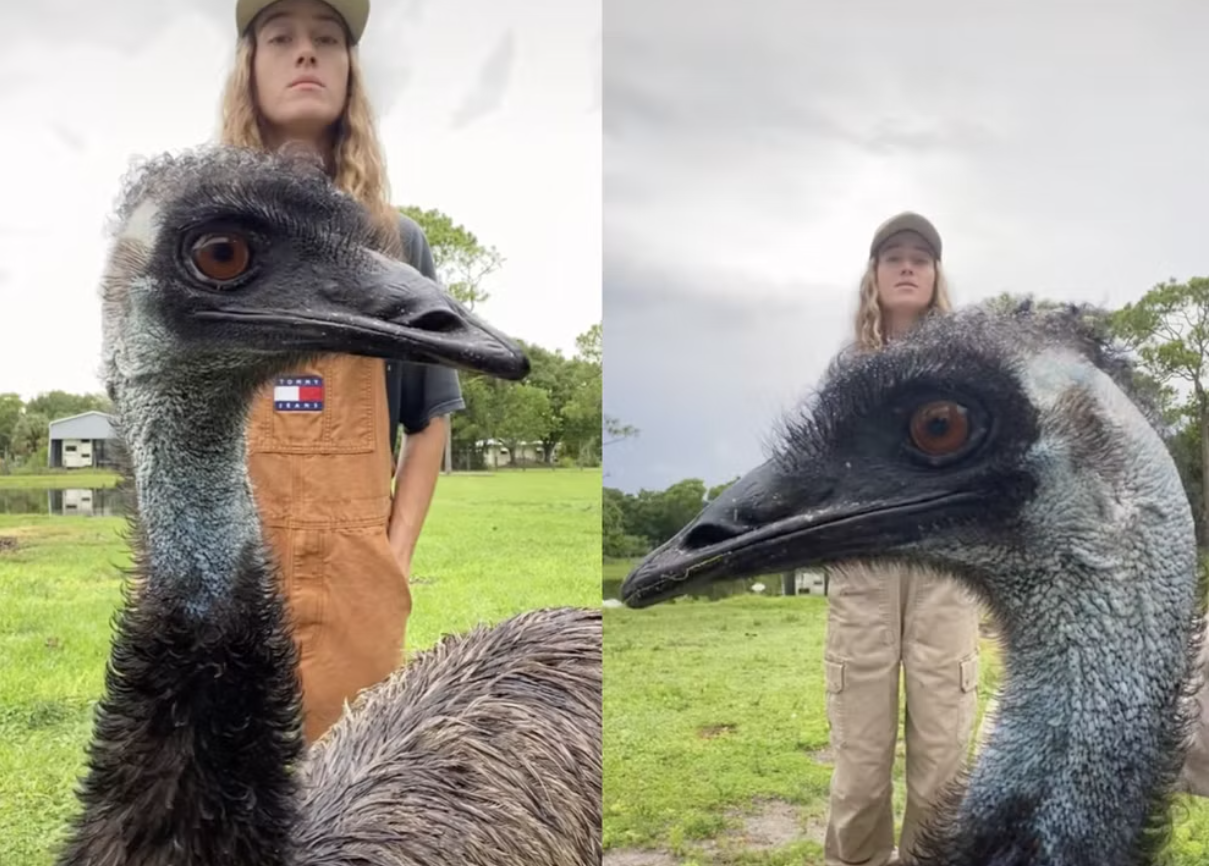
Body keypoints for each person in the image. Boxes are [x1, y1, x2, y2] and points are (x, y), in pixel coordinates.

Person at [220, 0, 464, 743]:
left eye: (327, 40)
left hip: (358, 569)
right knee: (225, 781)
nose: (306, 55)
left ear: (350, 72)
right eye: (282, 38)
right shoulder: (213, 238)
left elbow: (430, 418)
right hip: (230, 565)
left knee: (349, 790)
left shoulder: (397, 244)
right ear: (250, 67)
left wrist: (392, 554)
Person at [823, 212, 981, 866]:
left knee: (942, 758)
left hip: (944, 562)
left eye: (921, 256)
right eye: (894, 257)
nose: (908, 266)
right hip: (864, 564)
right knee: (860, 766)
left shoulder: (970, 367)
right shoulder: (846, 371)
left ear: (937, 274)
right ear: (874, 275)